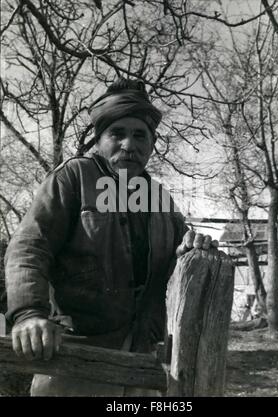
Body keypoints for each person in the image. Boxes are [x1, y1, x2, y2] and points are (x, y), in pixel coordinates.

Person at [5, 78, 219, 396]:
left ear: (152, 142)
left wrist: (195, 247)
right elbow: (29, 246)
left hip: (143, 358)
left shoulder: (158, 197)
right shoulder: (74, 177)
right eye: (117, 134)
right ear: (99, 139)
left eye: (139, 135)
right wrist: (28, 314)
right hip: (76, 356)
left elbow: (178, 254)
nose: (129, 145)